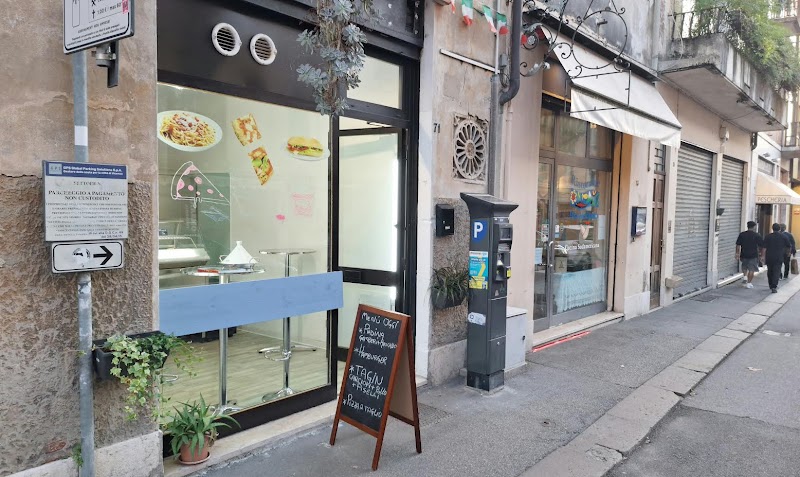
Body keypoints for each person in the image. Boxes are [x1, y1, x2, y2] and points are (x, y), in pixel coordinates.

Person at [762, 223, 791, 293]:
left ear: (772, 228)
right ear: (779, 229)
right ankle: (774, 286)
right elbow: (788, 246)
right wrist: (788, 253)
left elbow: (764, 248)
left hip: (769, 256)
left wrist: (762, 256)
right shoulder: (783, 237)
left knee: (770, 271)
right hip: (779, 256)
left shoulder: (768, 236)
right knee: (777, 271)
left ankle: (770, 284)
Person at [736, 221, 763, 289]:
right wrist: (761, 254)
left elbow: (738, 245)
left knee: (744, 266)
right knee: (751, 269)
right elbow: (761, 245)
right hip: (753, 255)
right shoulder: (757, 235)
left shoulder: (742, 234)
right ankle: (749, 283)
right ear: (754, 227)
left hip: (743, 254)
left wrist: (737, 253)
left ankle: (745, 277)